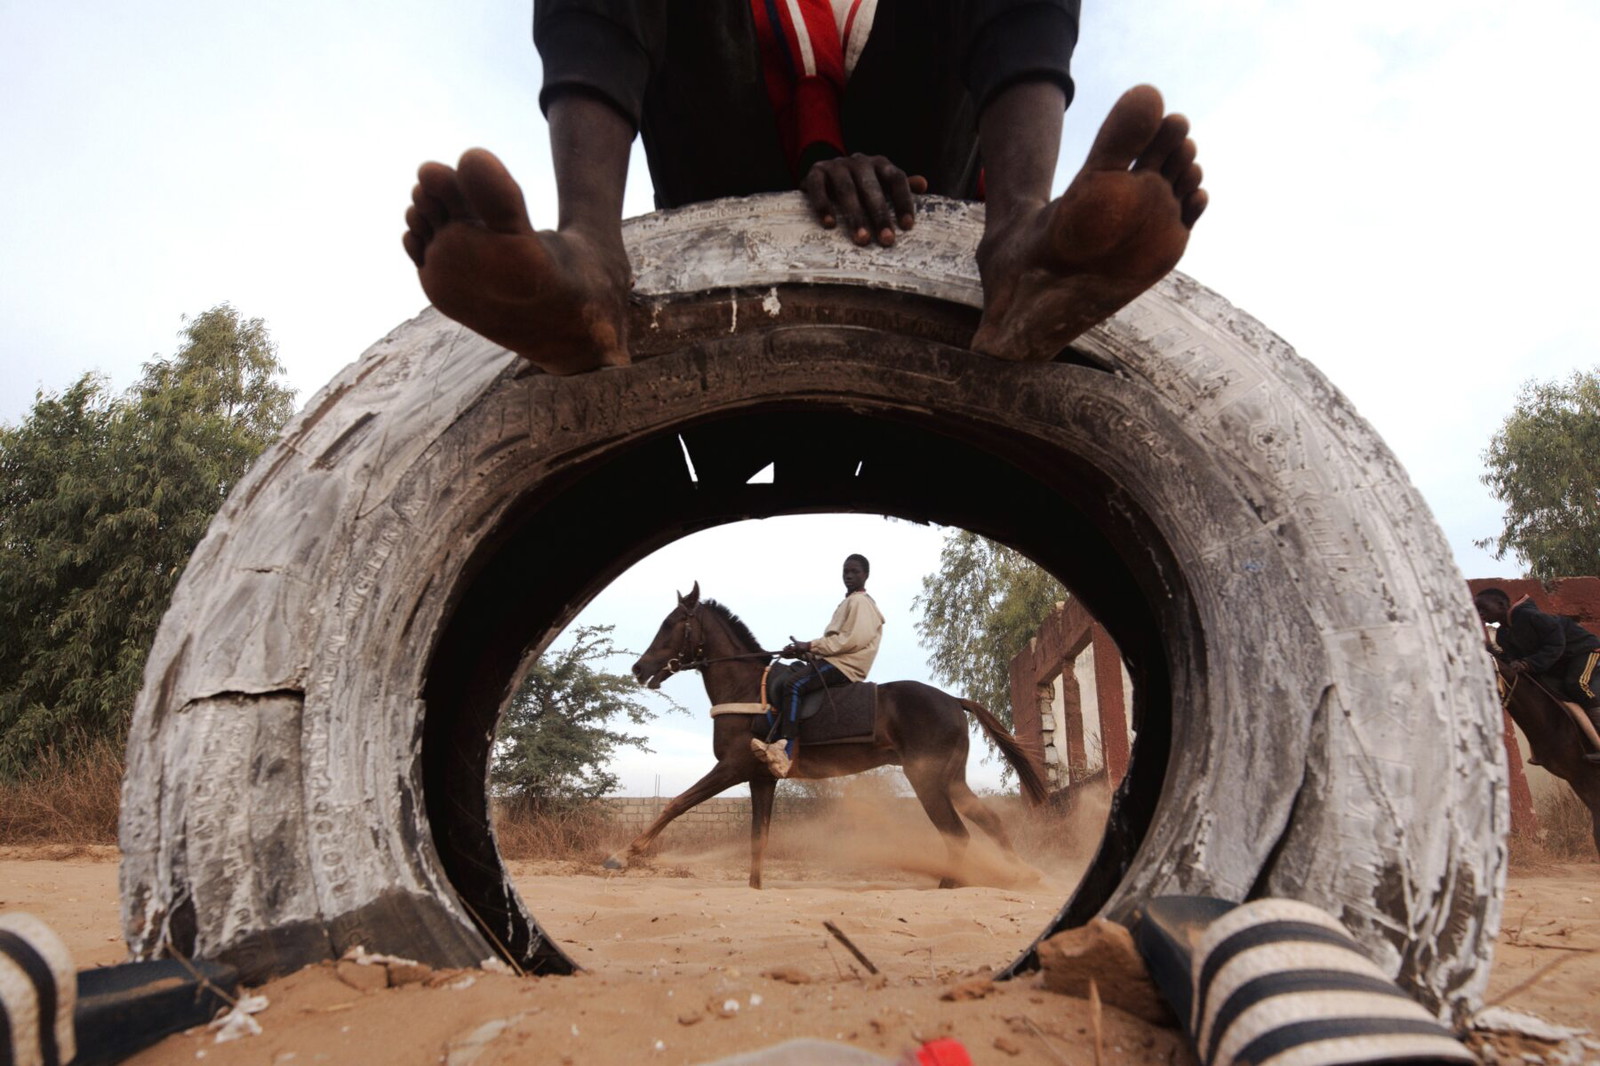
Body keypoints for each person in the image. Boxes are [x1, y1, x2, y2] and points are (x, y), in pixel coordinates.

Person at [402, 0, 1207, 376]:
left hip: (920, 176)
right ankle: (590, 255)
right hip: (731, 163)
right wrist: (816, 152)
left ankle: (1022, 237)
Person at [754, 553, 885, 777]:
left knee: (794, 684)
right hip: (836, 660)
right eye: (846, 571)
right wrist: (803, 652)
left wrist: (811, 645)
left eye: (855, 571)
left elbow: (850, 640)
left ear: (866, 575)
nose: (849, 575)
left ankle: (785, 749)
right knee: (793, 672)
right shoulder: (850, 601)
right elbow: (837, 643)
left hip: (845, 666)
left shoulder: (860, 602)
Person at [1475, 587, 1600, 763]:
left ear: (1501, 604)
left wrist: (1528, 663)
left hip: (1584, 651)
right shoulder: (1503, 634)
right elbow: (1512, 657)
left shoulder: (1531, 616)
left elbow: (1556, 643)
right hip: (1560, 662)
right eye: (1477, 611)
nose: (1481, 614)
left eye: (1483, 609)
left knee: (1577, 684)